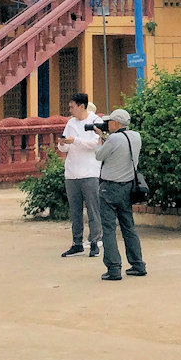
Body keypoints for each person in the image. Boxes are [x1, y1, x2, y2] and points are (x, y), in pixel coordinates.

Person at [94, 108, 146, 281]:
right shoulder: (136, 136)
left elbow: (99, 156)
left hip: (109, 187)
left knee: (108, 229)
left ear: (116, 123)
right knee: (128, 227)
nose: (107, 124)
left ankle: (114, 268)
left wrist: (101, 139)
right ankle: (138, 264)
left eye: (110, 122)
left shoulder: (114, 138)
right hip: (127, 187)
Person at [58, 93, 102, 259]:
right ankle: (77, 243)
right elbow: (65, 147)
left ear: (82, 106)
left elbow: (94, 144)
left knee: (92, 209)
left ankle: (95, 242)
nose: (70, 110)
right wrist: (63, 144)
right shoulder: (70, 123)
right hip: (72, 173)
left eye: (72, 107)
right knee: (75, 210)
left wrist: (74, 141)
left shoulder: (95, 121)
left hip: (89, 171)